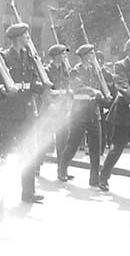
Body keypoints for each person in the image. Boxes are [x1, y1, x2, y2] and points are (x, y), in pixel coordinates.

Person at [98, 37, 130, 196]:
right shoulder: (120, 65)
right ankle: (103, 177)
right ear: (129, 50)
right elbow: (121, 84)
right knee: (117, 148)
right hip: (123, 112)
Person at [0, 23, 45, 203]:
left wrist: (44, 88)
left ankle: (28, 193)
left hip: (26, 111)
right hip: (8, 113)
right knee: (2, 153)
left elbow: (34, 81)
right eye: (26, 35)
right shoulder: (4, 57)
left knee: (28, 152)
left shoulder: (30, 58)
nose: (28, 38)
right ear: (18, 37)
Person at [58, 44, 107, 186]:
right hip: (79, 112)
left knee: (95, 147)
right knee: (72, 144)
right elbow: (77, 87)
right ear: (84, 56)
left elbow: (103, 85)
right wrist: (94, 91)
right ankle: (62, 170)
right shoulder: (75, 71)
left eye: (93, 54)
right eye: (90, 54)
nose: (93, 57)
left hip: (94, 111)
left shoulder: (95, 71)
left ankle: (94, 178)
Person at [45, 44, 72, 177]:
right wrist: (50, 104)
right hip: (51, 107)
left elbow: (67, 89)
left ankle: (62, 170)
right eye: (62, 54)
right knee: (45, 138)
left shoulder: (65, 70)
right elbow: (45, 90)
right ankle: (37, 165)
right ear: (55, 56)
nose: (64, 56)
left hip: (62, 108)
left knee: (63, 139)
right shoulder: (47, 70)